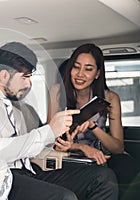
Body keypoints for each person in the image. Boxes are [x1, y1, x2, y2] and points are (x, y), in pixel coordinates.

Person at [0, 41, 118, 200]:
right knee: (64, 197)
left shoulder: (14, 108)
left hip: (28, 170)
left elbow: (28, 147)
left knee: (102, 178)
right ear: (4, 75)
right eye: (25, 77)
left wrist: (61, 140)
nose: (28, 83)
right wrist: (49, 130)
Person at [47, 43, 140, 199]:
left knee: (129, 169)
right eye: (76, 67)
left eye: (88, 69)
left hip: (103, 155)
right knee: (103, 176)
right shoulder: (57, 91)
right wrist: (80, 147)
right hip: (69, 155)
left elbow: (117, 147)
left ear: (97, 73)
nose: (80, 74)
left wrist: (93, 125)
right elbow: (51, 139)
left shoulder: (110, 98)